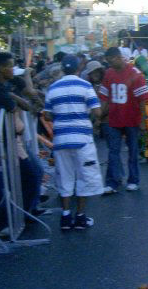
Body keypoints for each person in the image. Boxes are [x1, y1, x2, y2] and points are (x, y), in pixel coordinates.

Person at [43, 55, 103, 230]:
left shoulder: (53, 88)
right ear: (79, 68)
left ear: (63, 69)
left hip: (61, 139)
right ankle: (81, 217)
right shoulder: (85, 86)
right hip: (82, 139)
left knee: (65, 178)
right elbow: (98, 112)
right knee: (83, 177)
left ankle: (65, 216)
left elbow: (46, 115)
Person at [99, 46, 148, 194]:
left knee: (133, 152)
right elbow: (105, 98)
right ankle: (112, 182)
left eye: (110, 60)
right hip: (113, 119)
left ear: (118, 57)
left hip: (132, 119)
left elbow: (142, 100)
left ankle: (133, 180)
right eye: (107, 61)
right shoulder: (108, 73)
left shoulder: (135, 74)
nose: (109, 64)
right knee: (113, 151)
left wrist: (143, 121)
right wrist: (101, 117)